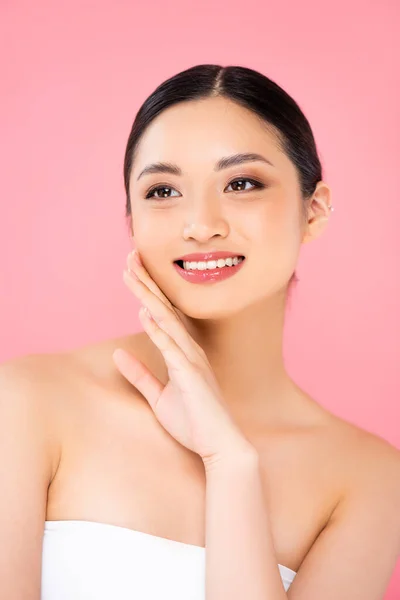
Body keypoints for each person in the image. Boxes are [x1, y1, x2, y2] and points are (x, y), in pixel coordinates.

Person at [1, 64, 399, 600]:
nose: (200, 223)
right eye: (163, 191)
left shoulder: (371, 479)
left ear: (315, 209)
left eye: (241, 183)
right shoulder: (26, 402)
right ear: (131, 219)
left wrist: (231, 466)